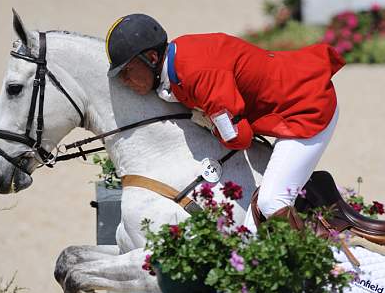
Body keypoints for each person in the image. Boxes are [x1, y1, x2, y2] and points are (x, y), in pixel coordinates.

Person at [105, 13, 344, 230]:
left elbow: (240, 137)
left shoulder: (198, 75)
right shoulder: (178, 57)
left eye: (127, 71)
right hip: (289, 98)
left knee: (271, 203)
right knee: (250, 230)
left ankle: (312, 270)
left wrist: (210, 122)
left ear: (152, 57)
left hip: (307, 107)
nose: (125, 81)